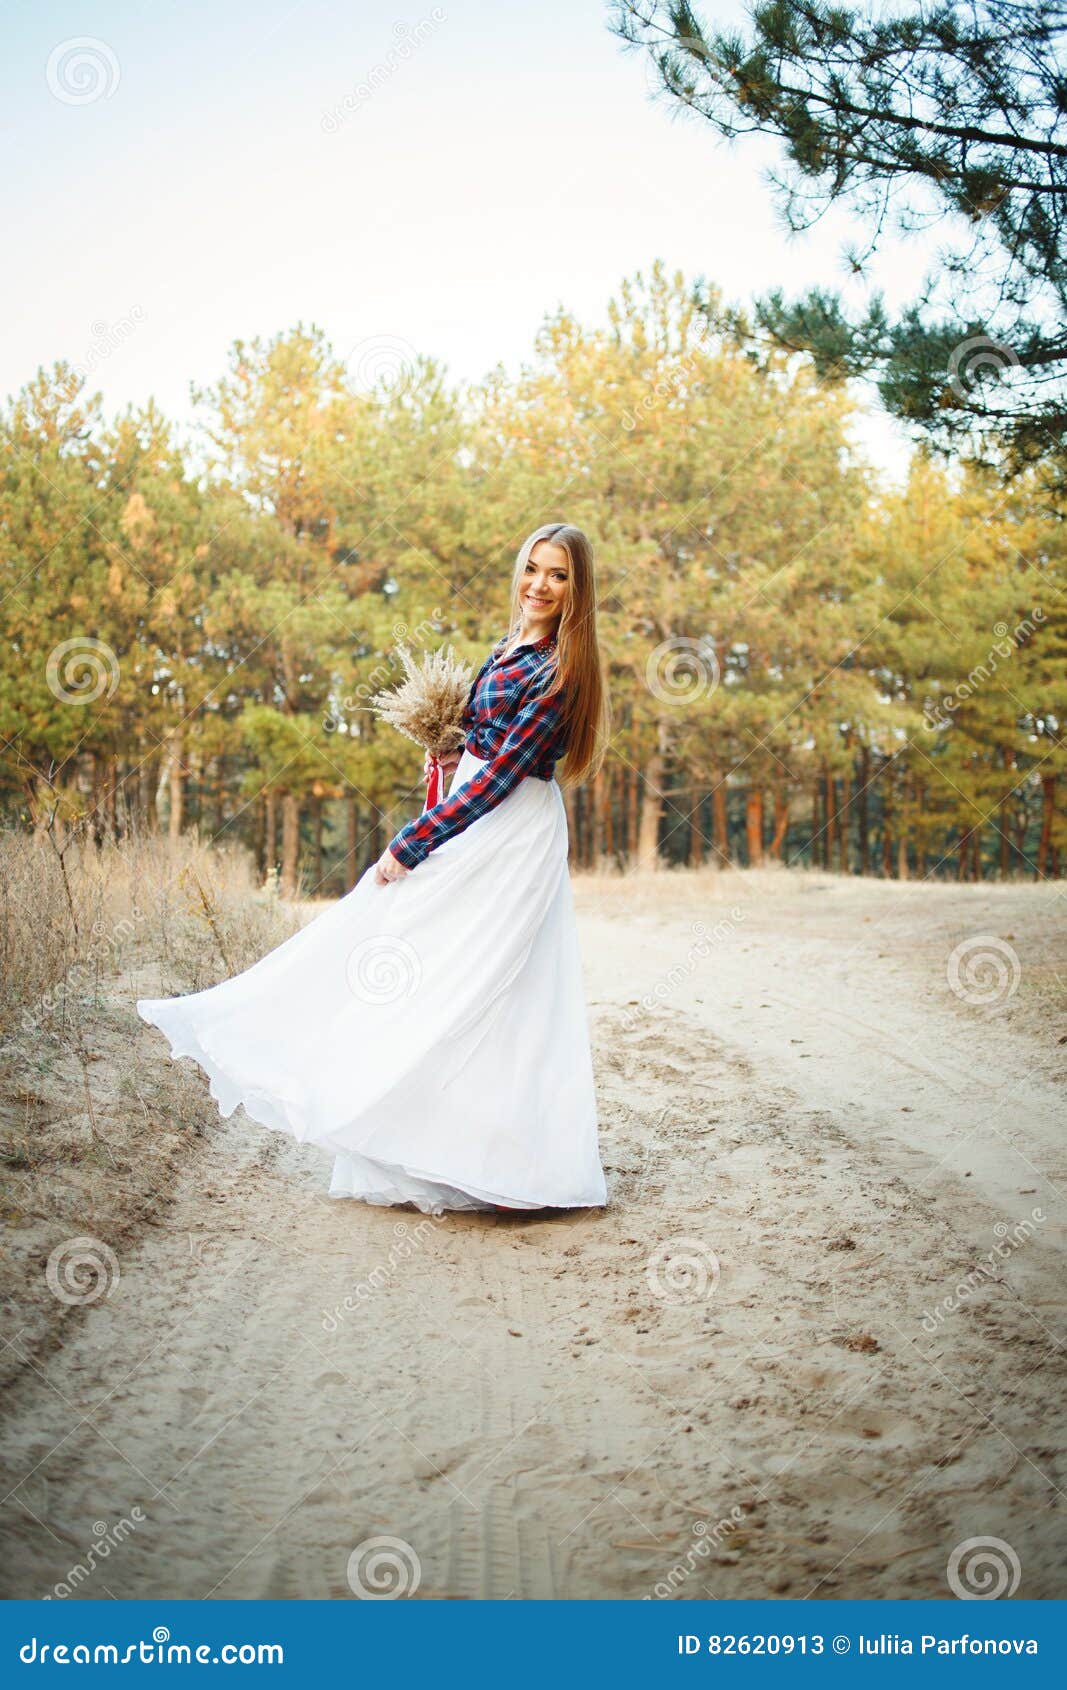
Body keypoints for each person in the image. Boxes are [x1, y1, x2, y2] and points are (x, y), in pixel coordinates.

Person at [137, 522, 612, 1217]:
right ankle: (423, 1143)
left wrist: (412, 841)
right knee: (429, 964)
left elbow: (502, 778)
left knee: (475, 977)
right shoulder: (508, 646)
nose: (540, 584)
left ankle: (508, 1160)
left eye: (559, 575)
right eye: (533, 569)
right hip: (478, 813)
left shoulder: (559, 670)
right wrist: (451, 753)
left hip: (509, 835)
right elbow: (484, 753)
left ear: (578, 588)